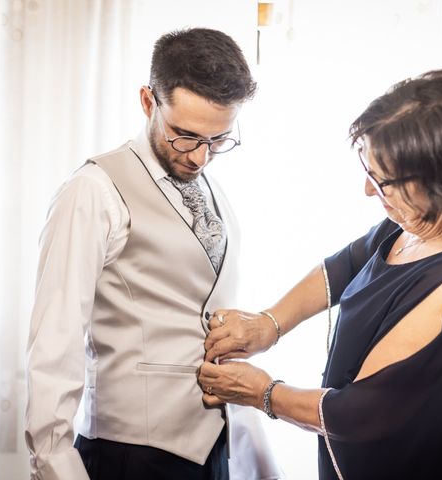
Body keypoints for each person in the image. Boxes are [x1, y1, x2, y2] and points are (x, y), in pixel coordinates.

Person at [199, 69, 442, 479]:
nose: (366, 190)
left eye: (380, 181)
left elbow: (356, 414)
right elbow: (348, 264)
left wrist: (262, 393)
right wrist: (269, 324)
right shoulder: (439, 212)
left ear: (439, 181)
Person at [24, 28, 277, 480]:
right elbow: (54, 343)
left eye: (218, 140)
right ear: (147, 101)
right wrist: (56, 468)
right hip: (129, 456)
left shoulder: (212, 191)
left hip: (212, 454)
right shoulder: (93, 189)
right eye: (186, 135)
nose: (201, 157)